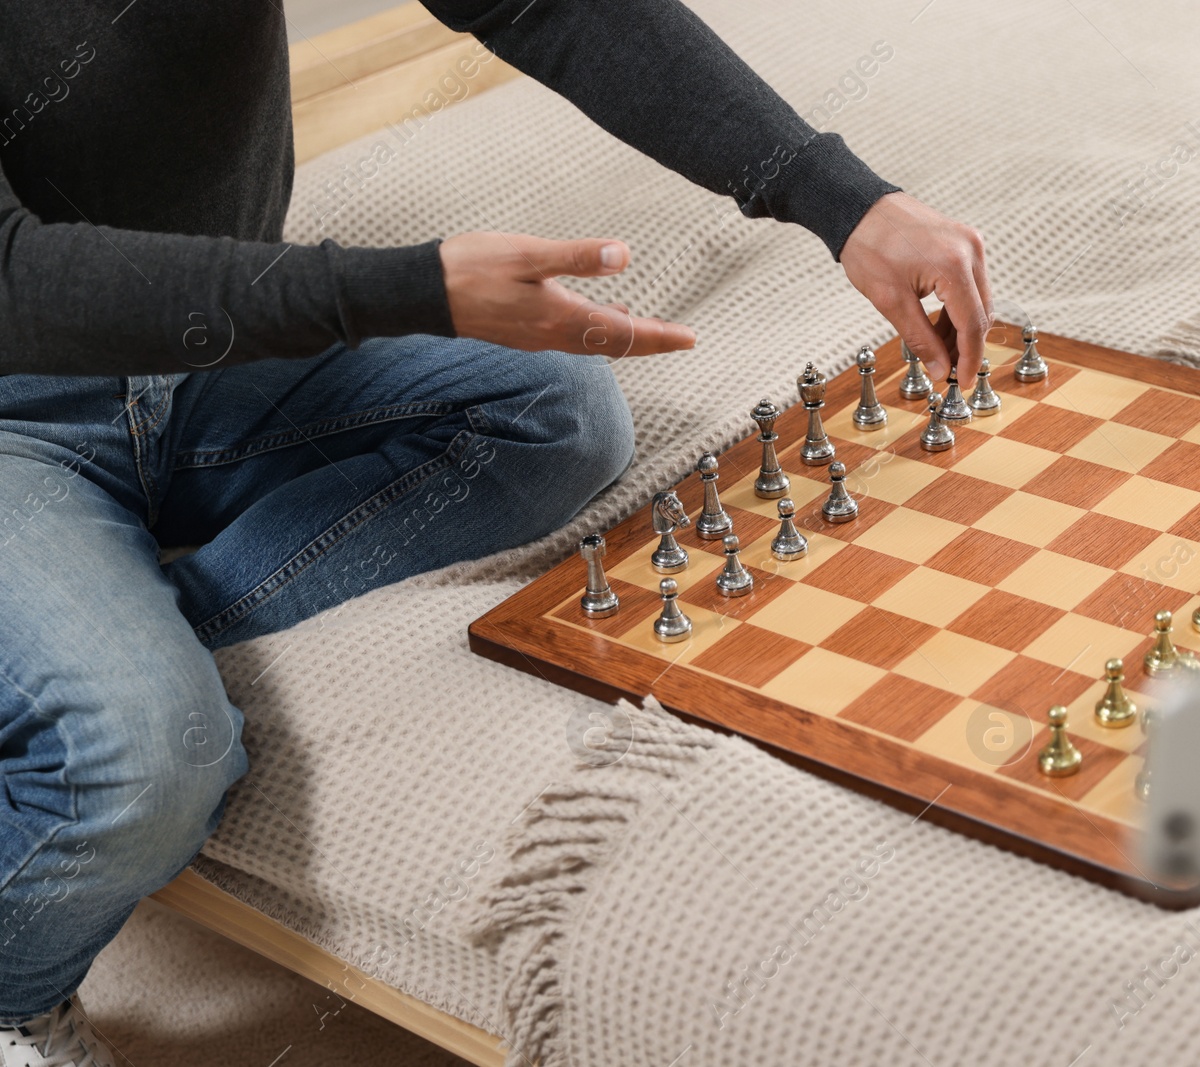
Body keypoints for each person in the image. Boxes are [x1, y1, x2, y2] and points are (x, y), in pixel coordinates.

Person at [0, 2, 990, 1062]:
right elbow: (18, 282)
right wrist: (403, 288)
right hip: (19, 413)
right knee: (145, 759)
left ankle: (110, 657)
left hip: (214, 353)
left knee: (557, 409)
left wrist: (845, 201)